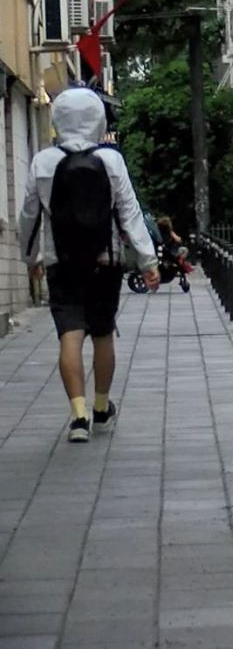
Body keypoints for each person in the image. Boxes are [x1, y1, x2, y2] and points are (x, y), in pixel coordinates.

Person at [19, 87, 159, 443]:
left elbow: (29, 217)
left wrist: (30, 257)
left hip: (60, 261)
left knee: (69, 334)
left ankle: (78, 415)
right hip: (104, 260)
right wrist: (148, 261)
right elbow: (129, 213)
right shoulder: (111, 161)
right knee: (102, 333)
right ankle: (100, 406)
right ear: (97, 119)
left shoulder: (43, 162)